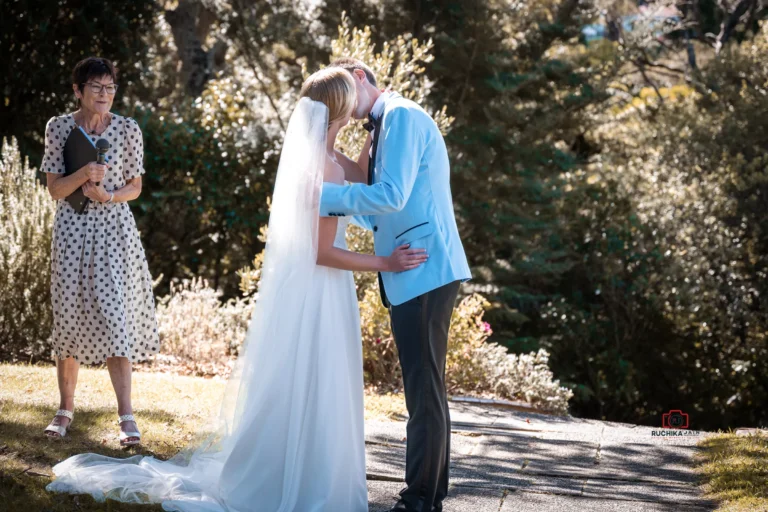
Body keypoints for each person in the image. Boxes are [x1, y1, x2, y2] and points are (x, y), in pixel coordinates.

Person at [47, 67, 428, 511]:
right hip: (323, 287)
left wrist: (374, 126)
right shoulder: (321, 165)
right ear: (341, 108)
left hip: (327, 292)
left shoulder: (330, 157)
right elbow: (323, 252)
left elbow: (362, 175)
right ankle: (307, 480)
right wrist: (385, 262)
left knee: (314, 381)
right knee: (317, 379)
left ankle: (307, 470)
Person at [320, 58, 472, 512]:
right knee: (426, 390)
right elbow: (375, 211)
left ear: (362, 78)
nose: (347, 106)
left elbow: (391, 196)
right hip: (413, 270)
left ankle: (418, 500)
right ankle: (429, 495)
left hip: (423, 269)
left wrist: (320, 194)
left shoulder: (401, 116)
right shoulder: (384, 125)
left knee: (423, 394)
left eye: (348, 90)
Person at [41, 56, 159, 447]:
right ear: (78, 90)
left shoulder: (128, 129)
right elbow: (56, 189)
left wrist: (108, 195)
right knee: (68, 313)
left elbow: (136, 186)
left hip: (113, 230)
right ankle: (64, 410)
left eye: (110, 87)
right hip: (72, 229)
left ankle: (126, 416)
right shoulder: (58, 128)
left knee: (114, 314)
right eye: (97, 87)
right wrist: (84, 174)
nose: (105, 94)